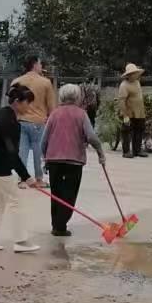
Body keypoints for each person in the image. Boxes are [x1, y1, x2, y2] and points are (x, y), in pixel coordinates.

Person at [0, 83, 41, 253]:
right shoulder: (11, 123)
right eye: (28, 102)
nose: (29, 107)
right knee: (15, 201)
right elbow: (13, 153)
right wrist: (27, 177)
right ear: (18, 102)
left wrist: (25, 176)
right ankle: (21, 241)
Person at [42, 84, 107, 237]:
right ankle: (61, 225)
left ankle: (57, 225)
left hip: (54, 160)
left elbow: (44, 140)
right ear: (78, 97)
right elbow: (91, 137)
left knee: (56, 194)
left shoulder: (54, 114)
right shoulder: (82, 114)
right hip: (74, 160)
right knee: (69, 193)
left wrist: (45, 158)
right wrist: (100, 153)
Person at [11, 56, 57, 183]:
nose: (42, 67)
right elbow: (51, 106)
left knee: (22, 150)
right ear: (35, 64)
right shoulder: (45, 83)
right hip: (38, 121)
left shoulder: (16, 81)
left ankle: (22, 179)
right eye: (41, 64)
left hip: (20, 120)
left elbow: (11, 102)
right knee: (38, 150)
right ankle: (38, 179)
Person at [116, 63, 148, 158]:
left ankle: (137, 150)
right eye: (133, 73)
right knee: (126, 131)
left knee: (139, 130)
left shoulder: (137, 82)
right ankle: (126, 151)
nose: (135, 75)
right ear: (129, 75)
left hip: (139, 112)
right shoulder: (124, 85)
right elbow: (121, 101)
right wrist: (125, 115)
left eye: (136, 73)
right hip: (129, 112)